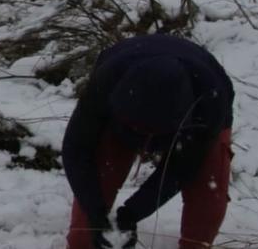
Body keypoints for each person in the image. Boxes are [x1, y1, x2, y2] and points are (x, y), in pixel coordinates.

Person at [62, 34, 234, 249]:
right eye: (137, 130)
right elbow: (76, 150)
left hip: (199, 107)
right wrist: (94, 211)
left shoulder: (208, 103)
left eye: (151, 133)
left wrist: (133, 212)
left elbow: (181, 169)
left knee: (208, 188)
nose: (144, 147)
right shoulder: (106, 83)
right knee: (99, 182)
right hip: (124, 96)